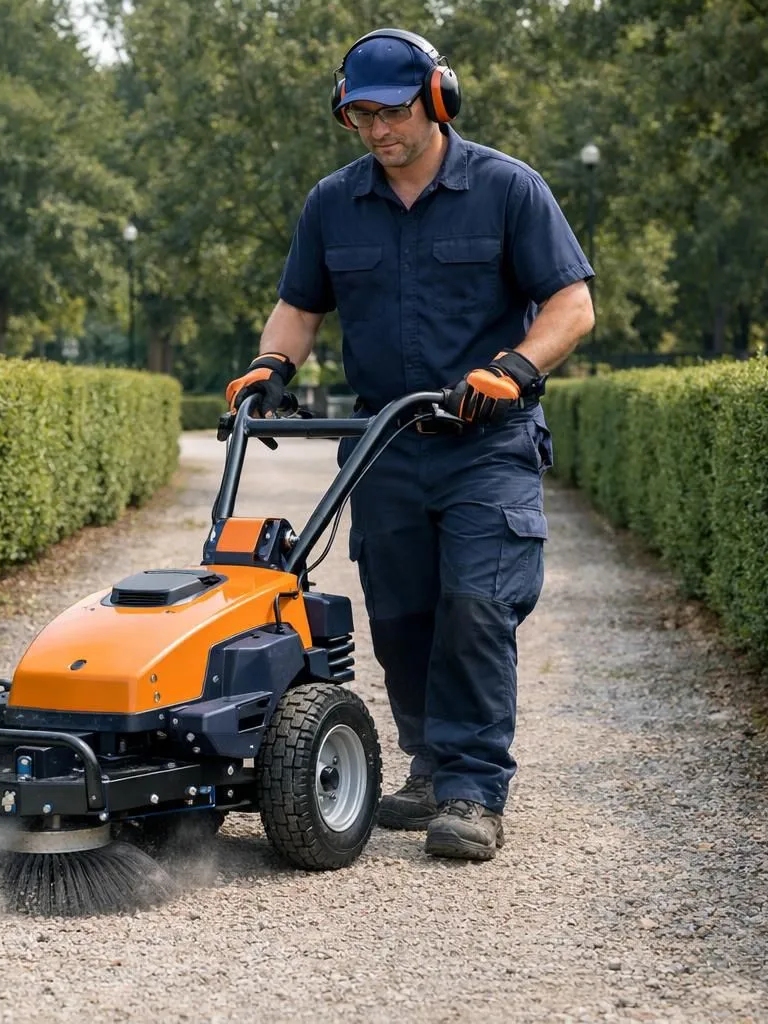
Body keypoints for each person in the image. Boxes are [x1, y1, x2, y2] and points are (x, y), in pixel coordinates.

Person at [224, 28, 595, 861]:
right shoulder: (333, 202)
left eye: (392, 112)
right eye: (361, 115)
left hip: (485, 442)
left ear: (436, 101)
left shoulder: (507, 189)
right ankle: (428, 764)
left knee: (476, 603)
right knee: (400, 614)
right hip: (383, 441)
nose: (379, 130)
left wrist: (515, 367)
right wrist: (269, 364)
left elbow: (571, 306)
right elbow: (300, 304)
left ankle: (471, 788)